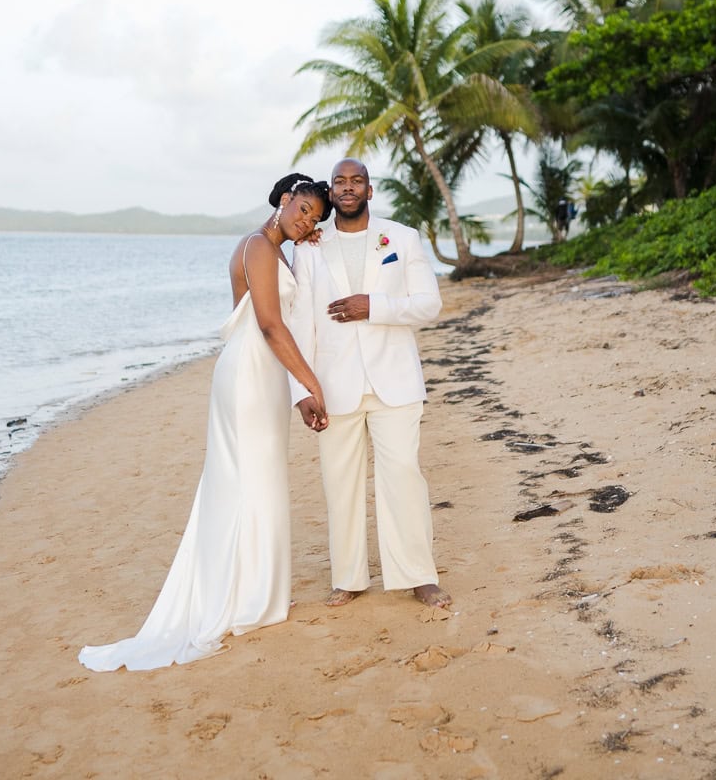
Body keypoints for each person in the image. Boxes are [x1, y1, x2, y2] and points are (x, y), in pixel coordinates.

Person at [78, 173, 331, 671]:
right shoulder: (257, 246)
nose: (306, 223)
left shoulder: (278, 251)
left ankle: (256, 594)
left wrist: (313, 247)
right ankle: (245, 600)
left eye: (315, 219)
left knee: (257, 481)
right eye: (303, 210)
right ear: (284, 200)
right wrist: (312, 383)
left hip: (261, 371)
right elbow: (267, 323)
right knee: (244, 480)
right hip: (249, 373)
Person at [288, 159, 451, 609]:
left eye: (356, 180)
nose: (347, 187)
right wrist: (301, 389)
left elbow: (428, 304)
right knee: (339, 483)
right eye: (339, 181)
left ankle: (419, 575)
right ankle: (349, 577)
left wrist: (372, 306)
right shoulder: (309, 247)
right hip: (332, 384)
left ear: (370, 190)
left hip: (394, 382)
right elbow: (300, 323)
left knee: (403, 478)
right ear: (331, 190)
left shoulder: (402, 238)